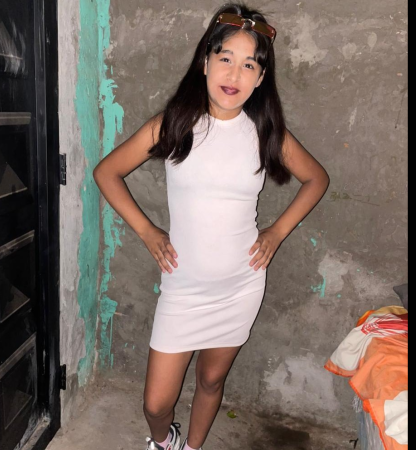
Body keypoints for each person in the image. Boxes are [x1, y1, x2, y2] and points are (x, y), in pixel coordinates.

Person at [92, 3, 330, 449]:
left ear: (260, 78)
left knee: (211, 380)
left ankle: (192, 447)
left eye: (249, 65)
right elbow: (107, 172)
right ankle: (166, 439)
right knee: (156, 404)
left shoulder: (265, 133)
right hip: (183, 289)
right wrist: (148, 231)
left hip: (240, 285)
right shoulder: (175, 124)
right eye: (225, 58)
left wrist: (276, 233)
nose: (234, 74)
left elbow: (316, 179)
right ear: (205, 63)